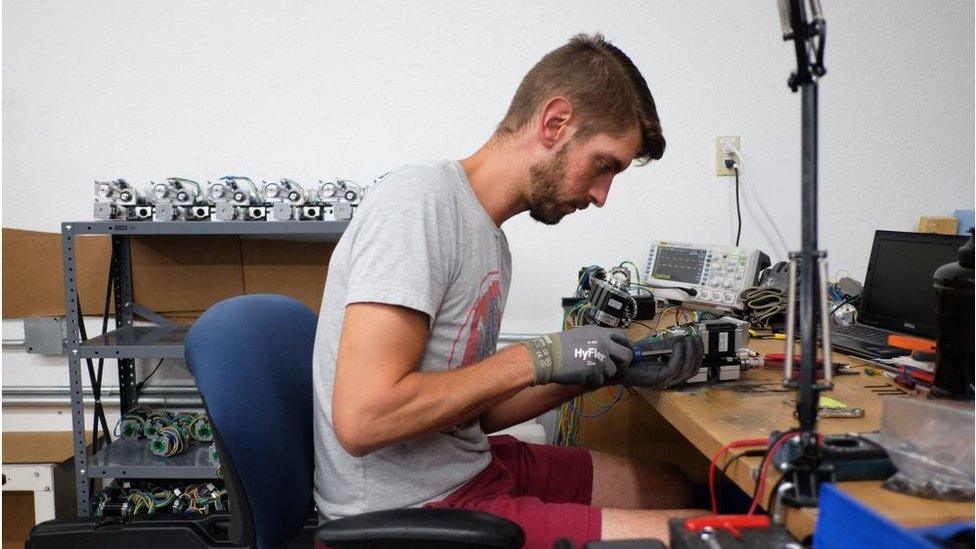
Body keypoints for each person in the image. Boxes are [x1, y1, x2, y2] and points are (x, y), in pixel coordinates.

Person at [312, 33, 704, 548]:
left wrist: (598, 370)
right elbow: (364, 419)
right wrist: (538, 356)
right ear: (555, 122)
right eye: (604, 164)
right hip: (416, 507)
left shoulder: (490, 238)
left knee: (675, 485)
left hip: (471, 466)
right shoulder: (419, 203)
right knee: (705, 536)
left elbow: (478, 410)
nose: (602, 195)